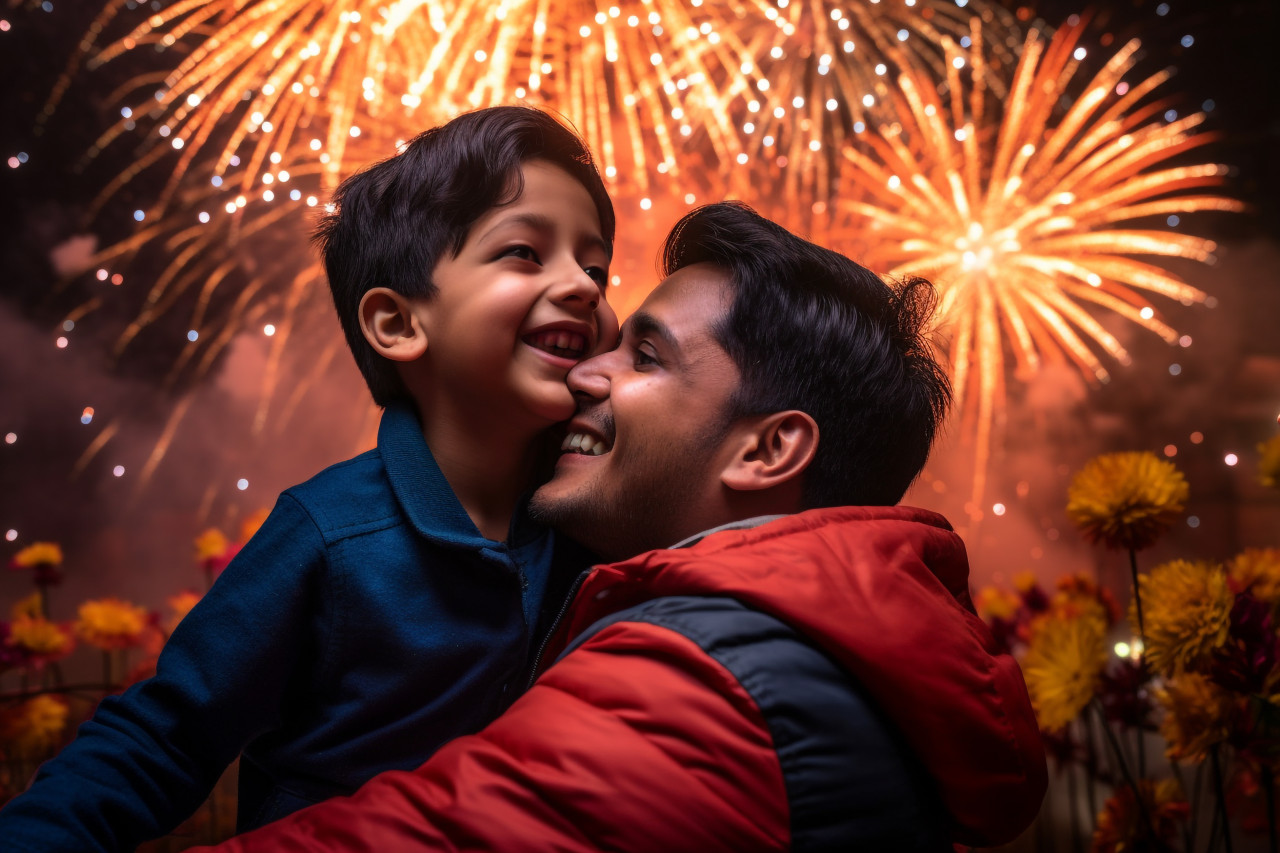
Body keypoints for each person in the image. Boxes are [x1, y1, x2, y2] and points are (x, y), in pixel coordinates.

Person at [202, 202, 1048, 852]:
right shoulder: (805, 649)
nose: (584, 371)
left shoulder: (705, 683)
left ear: (769, 449)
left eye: (645, 357)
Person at [0, 106, 620, 852]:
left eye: (595, 267)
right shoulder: (330, 534)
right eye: (524, 251)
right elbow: (165, 736)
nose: (583, 287)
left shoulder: (595, 516)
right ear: (396, 324)